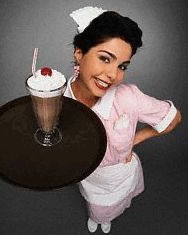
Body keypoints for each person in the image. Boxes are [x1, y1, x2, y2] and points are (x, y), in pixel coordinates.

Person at [64, 6, 182, 233]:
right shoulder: (59, 97)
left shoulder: (129, 98)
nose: (113, 75)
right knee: (93, 204)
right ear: (79, 53)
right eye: (105, 59)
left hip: (116, 176)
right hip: (86, 175)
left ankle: (104, 218)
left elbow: (174, 118)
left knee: (108, 209)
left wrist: (135, 139)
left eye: (122, 66)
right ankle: (97, 215)